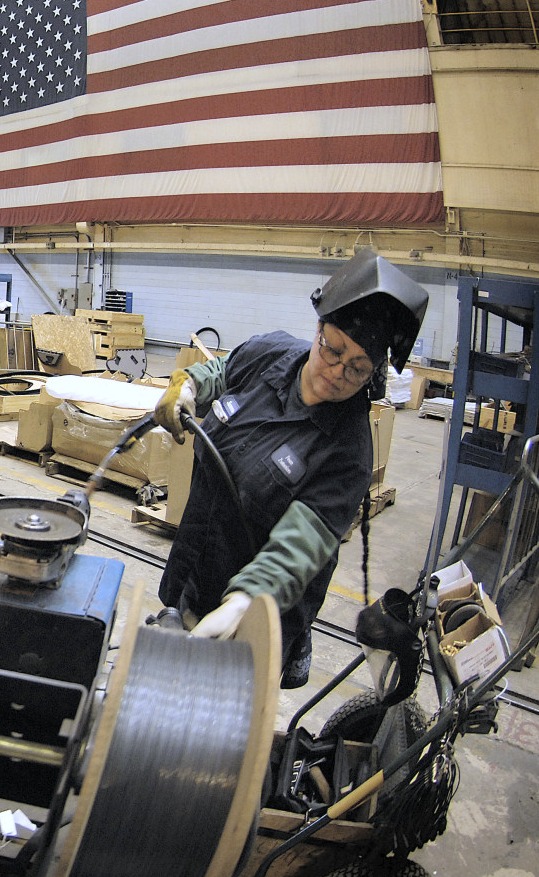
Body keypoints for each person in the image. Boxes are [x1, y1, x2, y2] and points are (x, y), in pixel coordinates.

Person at [152, 248, 429, 687]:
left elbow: (297, 548)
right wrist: (187, 385)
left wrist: (244, 603)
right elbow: (223, 371)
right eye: (332, 350)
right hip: (195, 565)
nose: (337, 371)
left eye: (357, 368)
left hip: (258, 611)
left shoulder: (349, 453)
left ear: (374, 373)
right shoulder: (271, 354)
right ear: (319, 328)